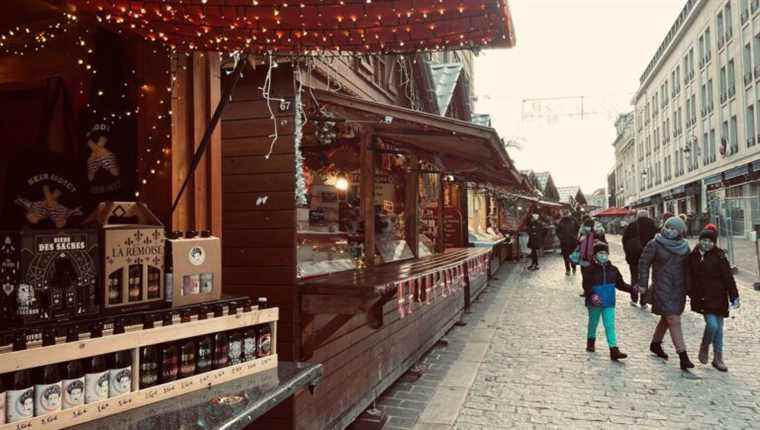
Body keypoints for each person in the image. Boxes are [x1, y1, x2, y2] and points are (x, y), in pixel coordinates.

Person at [638, 216, 695, 371]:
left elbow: (689, 269)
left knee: (667, 318)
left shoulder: (684, 247)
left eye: (674, 228)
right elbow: (643, 263)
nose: (670, 231)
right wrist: (642, 284)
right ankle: (683, 357)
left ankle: (655, 344)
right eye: (668, 227)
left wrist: (692, 289)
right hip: (662, 288)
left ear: (680, 232)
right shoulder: (654, 243)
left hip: (679, 289)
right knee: (673, 319)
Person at [688, 228, 740, 372]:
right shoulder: (693, 256)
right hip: (703, 297)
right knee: (712, 325)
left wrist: (734, 296)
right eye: (704, 240)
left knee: (719, 329)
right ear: (699, 241)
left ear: (714, 243)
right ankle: (704, 346)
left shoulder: (719, 256)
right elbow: (689, 276)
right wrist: (690, 292)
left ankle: (718, 358)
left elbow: (728, 278)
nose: (706, 244)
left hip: (720, 297)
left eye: (710, 241)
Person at [583, 242, 636, 360]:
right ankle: (590, 341)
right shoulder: (589, 269)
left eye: (605, 253)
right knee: (593, 322)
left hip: (609, 302)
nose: (603, 255)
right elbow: (586, 285)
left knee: (609, 325)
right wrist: (592, 295)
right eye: (601, 253)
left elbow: (620, 284)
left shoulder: (613, 270)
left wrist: (632, 290)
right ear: (595, 255)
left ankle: (614, 349)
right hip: (595, 301)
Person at [622, 210, 658, 308]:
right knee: (644, 277)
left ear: (637, 216)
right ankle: (643, 301)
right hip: (647, 257)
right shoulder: (652, 225)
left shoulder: (632, 225)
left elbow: (624, 240)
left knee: (634, 277)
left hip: (633, 257)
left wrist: (628, 252)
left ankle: (634, 299)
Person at [556, 210, 580, 275]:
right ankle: (567, 270)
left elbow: (578, 228)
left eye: (567, 213)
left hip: (573, 242)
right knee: (565, 256)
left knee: (573, 256)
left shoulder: (574, 220)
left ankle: (574, 268)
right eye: (564, 214)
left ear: (569, 213)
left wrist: (575, 236)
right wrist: (561, 238)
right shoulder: (561, 221)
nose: (566, 215)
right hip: (564, 242)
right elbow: (557, 231)